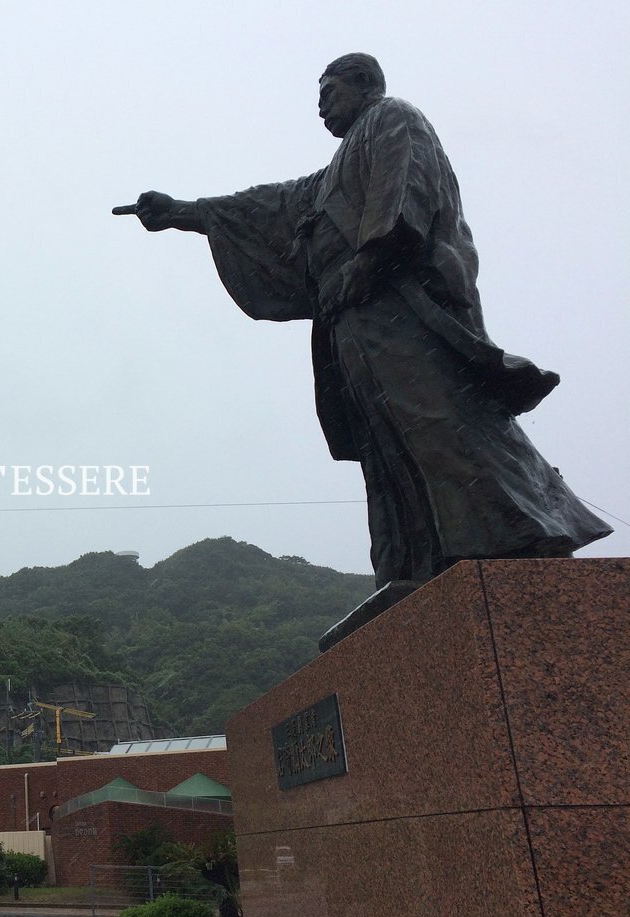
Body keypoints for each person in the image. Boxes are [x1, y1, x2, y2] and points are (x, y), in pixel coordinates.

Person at [116, 53, 611, 617]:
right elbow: (271, 204)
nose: (320, 103)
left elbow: (404, 199)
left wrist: (367, 262)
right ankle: (417, 562)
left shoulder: (393, 120)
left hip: (397, 306)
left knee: (437, 419)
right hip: (351, 319)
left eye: (328, 90)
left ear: (365, 85)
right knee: (386, 443)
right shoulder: (331, 175)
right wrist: (185, 211)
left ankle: (522, 533)